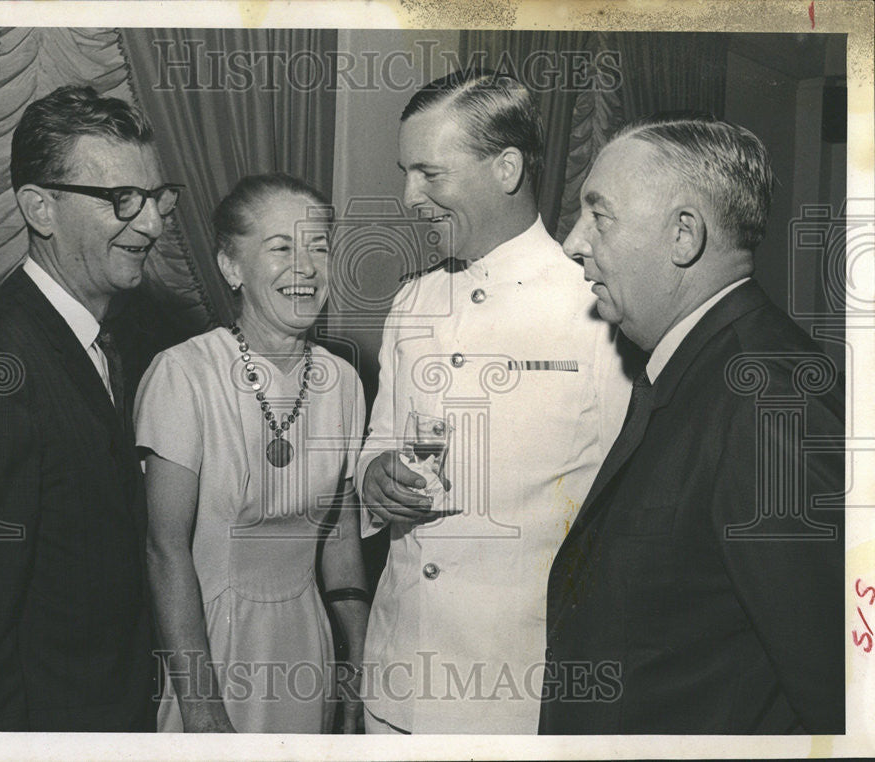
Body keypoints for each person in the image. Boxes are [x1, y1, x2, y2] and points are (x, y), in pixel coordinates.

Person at [541, 116, 844, 733]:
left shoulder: (768, 401)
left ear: (684, 236)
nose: (572, 242)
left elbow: (835, 693)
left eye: (599, 215)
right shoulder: (698, 363)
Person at [356, 69, 632, 734]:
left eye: (430, 174)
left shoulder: (598, 308)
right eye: (405, 173)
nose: (408, 196)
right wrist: (374, 477)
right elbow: (378, 441)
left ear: (507, 168)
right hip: (395, 683)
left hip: (512, 697)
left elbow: (625, 516)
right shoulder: (411, 301)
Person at [0, 85, 176, 730]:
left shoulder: (113, 340)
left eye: (157, 198)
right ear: (39, 208)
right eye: (121, 200)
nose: (155, 223)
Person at [136, 173, 370, 734]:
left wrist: (362, 670)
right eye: (282, 247)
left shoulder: (344, 382)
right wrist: (200, 708)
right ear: (232, 267)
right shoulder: (183, 375)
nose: (306, 267)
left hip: (306, 649)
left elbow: (339, 539)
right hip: (208, 655)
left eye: (319, 247)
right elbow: (164, 551)